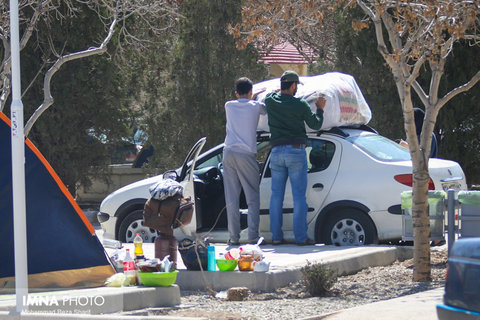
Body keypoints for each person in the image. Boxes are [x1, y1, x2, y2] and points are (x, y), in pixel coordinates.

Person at [265, 70, 325, 246]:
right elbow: (316, 124)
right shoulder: (300, 105)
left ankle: (276, 236)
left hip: (275, 153)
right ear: (292, 86)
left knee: (276, 196)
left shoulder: (270, 101)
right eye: (296, 85)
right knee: (299, 197)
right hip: (296, 152)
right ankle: (300, 238)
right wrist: (320, 109)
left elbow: (271, 94)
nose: (297, 89)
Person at [223, 77, 266, 246]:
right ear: (250, 93)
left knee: (232, 198)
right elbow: (264, 109)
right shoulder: (256, 106)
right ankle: (253, 237)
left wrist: (249, 96)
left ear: (235, 93)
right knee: (252, 197)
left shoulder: (229, 105)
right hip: (246, 154)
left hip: (228, 153)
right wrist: (254, 98)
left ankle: (234, 238)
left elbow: (243, 102)